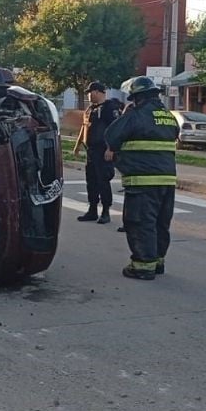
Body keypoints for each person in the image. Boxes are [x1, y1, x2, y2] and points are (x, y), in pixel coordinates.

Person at [104, 76, 179, 280]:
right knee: (160, 223)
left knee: (140, 222)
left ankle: (143, 266)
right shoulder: (169, 116)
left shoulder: (136, 115)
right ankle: (157, 261)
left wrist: (126, 115)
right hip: (167, 181)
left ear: (136, 98)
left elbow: (111, 135)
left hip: (142, 181)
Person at [73, 81, 122, 224]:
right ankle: (92, 210)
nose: (88, 95)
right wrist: (78, 145)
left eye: (90, 92)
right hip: (91, 151)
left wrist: (111, 148)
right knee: (91, 181)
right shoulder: (90, 109)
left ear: (97, 92)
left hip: (103, 151)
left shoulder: (109, 108)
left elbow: (115, 129)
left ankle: (106, 211)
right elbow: (84, 127)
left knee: (103, 181)